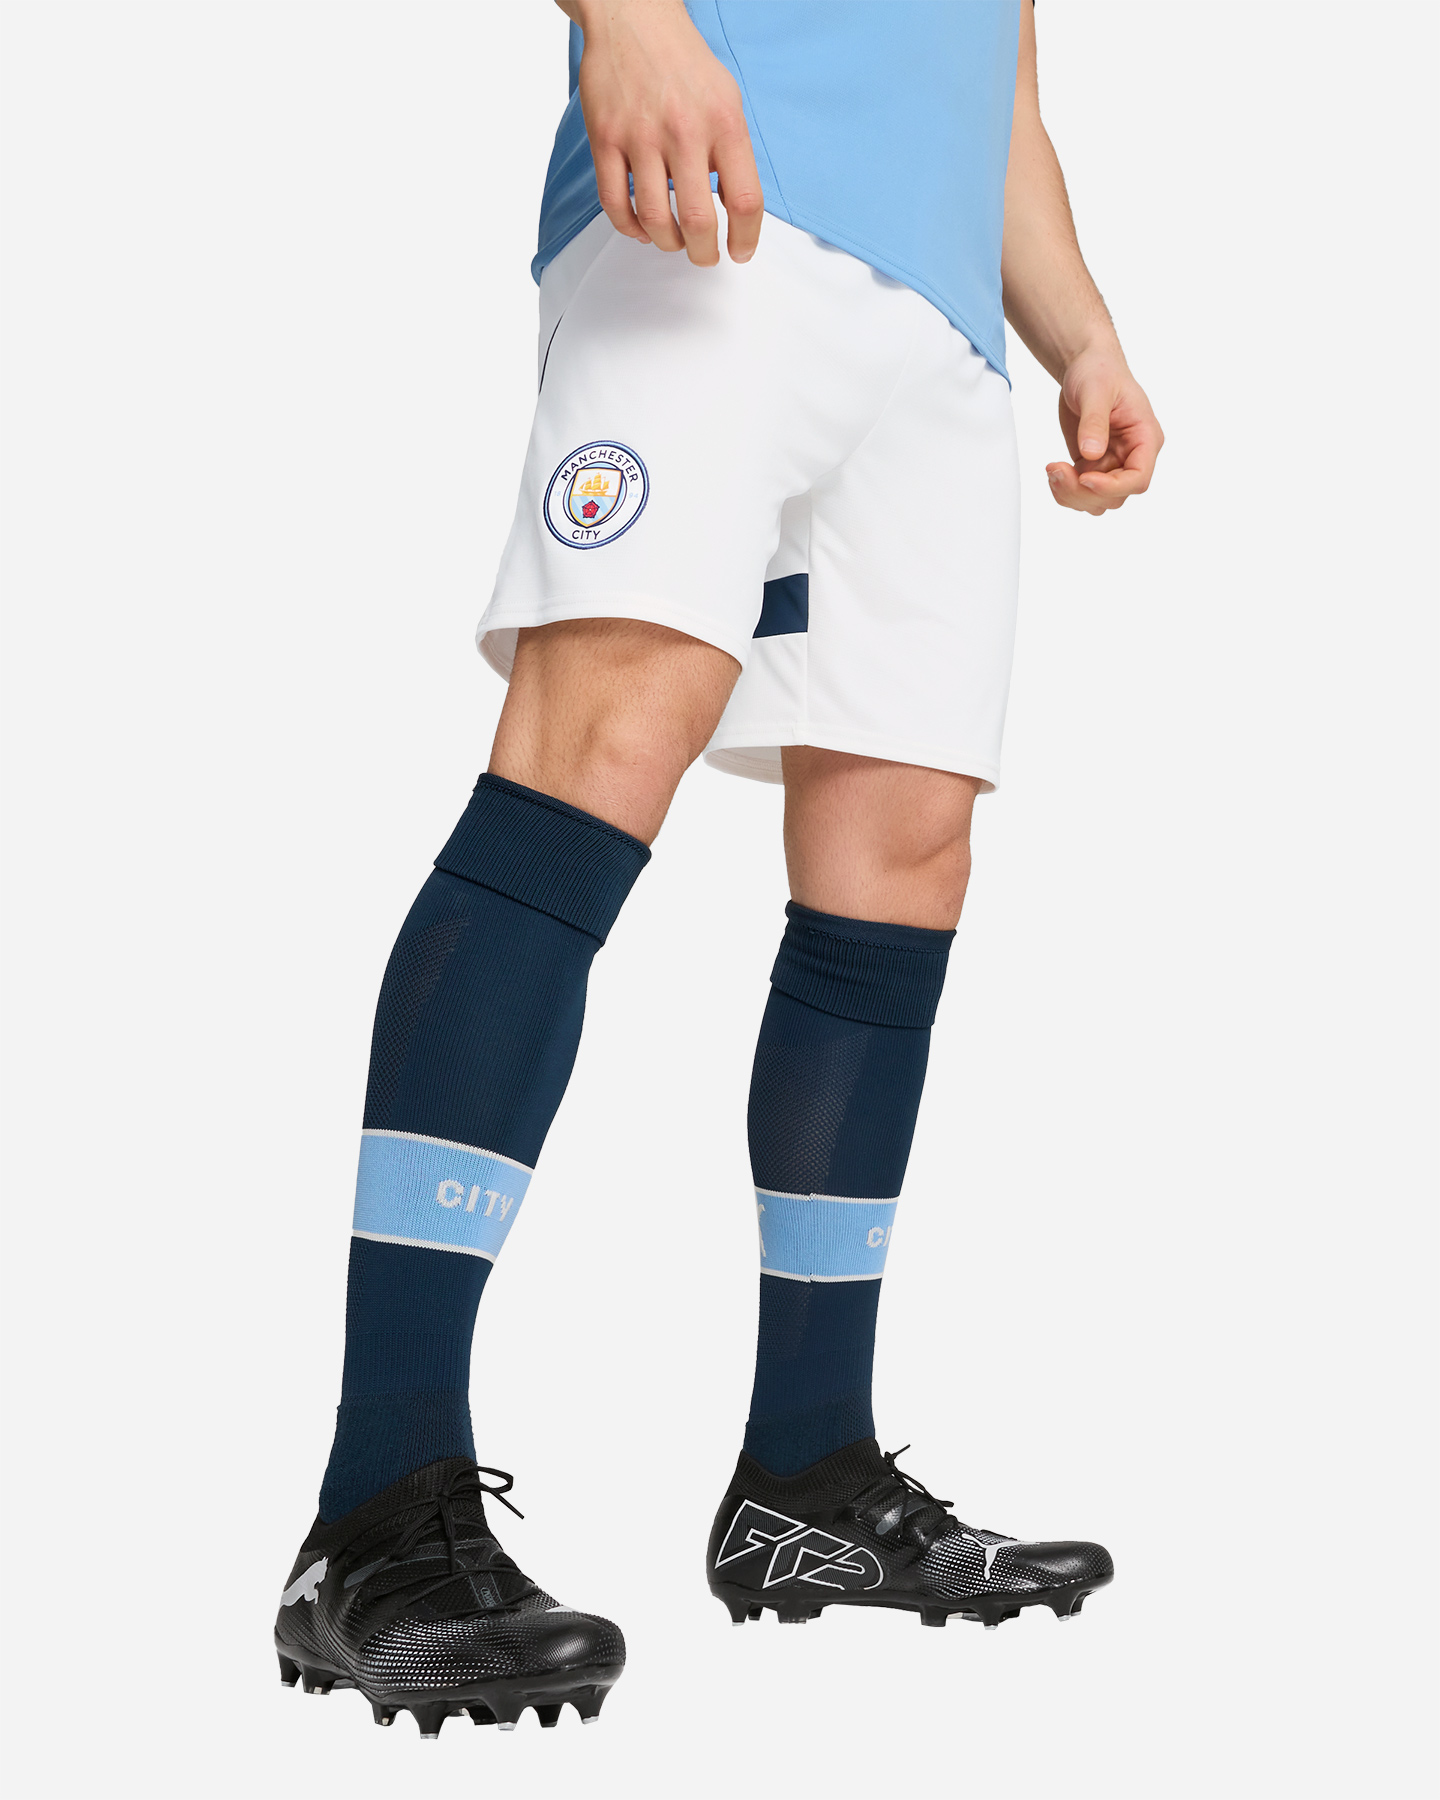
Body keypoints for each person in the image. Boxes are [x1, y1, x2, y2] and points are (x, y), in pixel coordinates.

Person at [275, 0, 1163, 1738]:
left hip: (941, 334)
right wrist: (623, 18)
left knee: (903, 845)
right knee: (596, 750)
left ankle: (807, 1475)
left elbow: (998, 90)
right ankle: (371, 1509)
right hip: (720, 211)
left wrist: (1084, 335)